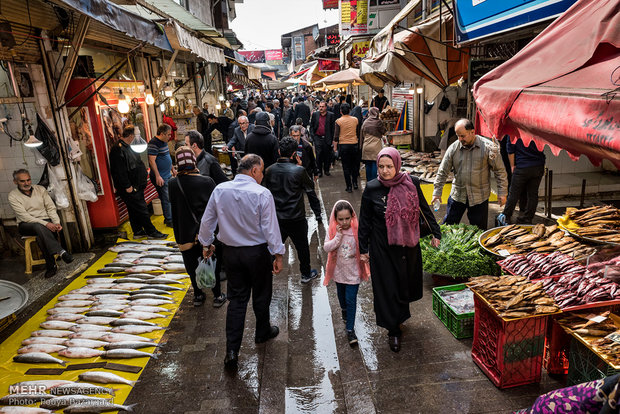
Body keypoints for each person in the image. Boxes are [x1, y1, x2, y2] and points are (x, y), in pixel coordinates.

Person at [199, 154, 285, 369]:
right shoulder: (262, 194)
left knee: (236, 300)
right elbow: (271, 229)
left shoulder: (220, 190)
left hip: (231, 254)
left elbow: (207, 221)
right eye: (262, 171)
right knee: (262, 293)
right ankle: (262, 331)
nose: (262, 175)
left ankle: (231, 351)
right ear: (254, 170)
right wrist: (278, 254)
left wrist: (206, 243)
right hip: (256, 253)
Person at [358, 148, 441, 352]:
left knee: (403, 284)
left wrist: (435, 233)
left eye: (389, 166)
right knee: (387, 287)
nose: (385, 171)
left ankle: (400, 317)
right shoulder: (372, 188)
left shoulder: (411, 182)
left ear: (397, 165)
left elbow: (424, 208)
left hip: (406, 245)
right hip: (381, 246)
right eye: (381, 167)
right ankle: (392, 330)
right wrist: (363, 249)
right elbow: (365, 222)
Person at [169, 147, 227, 308]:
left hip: (184, 234)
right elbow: (216, 207)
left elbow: (172, 204)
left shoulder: (173, 184)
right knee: (212, 263)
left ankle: (198, 295)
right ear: (194, 162)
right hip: (206, 233)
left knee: (191, 266)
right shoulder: (206, 181)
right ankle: (217, 295)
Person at [431, 118, 508, 230]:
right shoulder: (454, 147)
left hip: (479, 197)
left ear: (472, 132)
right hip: (458, 195)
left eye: (463, 136)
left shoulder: (488, 147)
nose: (460, 139)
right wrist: (437, 192)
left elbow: (499, 171)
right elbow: (442, 171)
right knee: (448, 228)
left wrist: (502, 192)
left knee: (478, 231)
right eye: (458, 136)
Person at [264, 138, 319, 284]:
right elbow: (310, 187)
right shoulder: (299, 171)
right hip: (296, 216)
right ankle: (305, 274)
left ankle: (266, 272)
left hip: (277, 217)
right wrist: (301, 167)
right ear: (295, 154)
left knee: (271, 247)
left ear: (279, 151)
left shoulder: (269, 170)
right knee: (302, 247)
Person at [9, 169, 74, 278]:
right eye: (22, 181)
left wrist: (56, 223)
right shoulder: (13, 195)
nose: (26, 183)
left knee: (40, 235)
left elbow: (50, 208)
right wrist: (46, 224)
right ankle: (61, 251)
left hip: (45, 222)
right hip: (26, 224)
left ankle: (51, 266)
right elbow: (25, 216)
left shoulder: (40, 189)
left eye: (28, 180)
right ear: (15, 182)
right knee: (38, 226)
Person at [323, 200, 369, 347]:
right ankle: (344, 310)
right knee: (341, 297)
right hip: (338, 272)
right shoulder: (332, 230)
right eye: (340, 219)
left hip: (354, 272)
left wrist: (365, 254)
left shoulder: (357, 229)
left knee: (351, 300)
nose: (344, 222)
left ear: (352, 216)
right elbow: (326, 247)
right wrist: (338, 235)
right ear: (335, 218)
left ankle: (350, 330)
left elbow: (365, 245)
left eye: (347, 218)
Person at [109, 127, 167, 240]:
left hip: (137, 184)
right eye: (136, 136)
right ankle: (151, 232)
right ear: (130, 136)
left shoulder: (132, 146)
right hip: (130, 187)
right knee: (142, 209)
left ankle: (138, 231)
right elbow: (119, 170)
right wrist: (127, 186)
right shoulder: (118, 149)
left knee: (133, 209)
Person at [500, 138, 546, 224]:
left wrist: (512, 166)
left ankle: (506, 217)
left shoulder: (515, 129)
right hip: (538, 165)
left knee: (513, 193)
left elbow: (510, 149)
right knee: (533, 194)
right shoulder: (537, 128)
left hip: (522, 166)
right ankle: (528, 218)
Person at [148, 124, 175, 227]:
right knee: (166, 198)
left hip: (167, 174)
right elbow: (152, 161)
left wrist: (173, 169)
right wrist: (158, 176)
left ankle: (169, 217)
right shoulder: (153, 143)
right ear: (162, 134)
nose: (170, 137)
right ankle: (169, 220)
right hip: (161, 177)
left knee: (169, 197)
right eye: (168, 135)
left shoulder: (164, 142)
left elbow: (167, 156)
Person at [334, 103, 360, 193]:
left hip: (344, 146)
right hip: (354, 145)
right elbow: (357, 132)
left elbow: (336, 136)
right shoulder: (355, 120)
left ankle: (349, 186)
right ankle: (355, 183)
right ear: (349, 110)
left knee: (346, 167)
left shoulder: (338, 121)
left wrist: (335, 148)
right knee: (354, 165)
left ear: (340, 111)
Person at [310, 101, 336, 178]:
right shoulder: (315, 115)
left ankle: (326, 170)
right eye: (320, 106)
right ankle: (319, 171)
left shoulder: (331, 115)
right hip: (317, 137)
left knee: (327, 155)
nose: (320, 108)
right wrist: (313, 136)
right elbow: (312, 126)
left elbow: (333, 128)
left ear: (326, 107)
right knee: (318, 155)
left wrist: (332, 139)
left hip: (327, 138)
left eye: (322, 107)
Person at [360, 107, 386, 181]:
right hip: (375, 146)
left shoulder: (365, 122)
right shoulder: (378, 122)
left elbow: (362, 135)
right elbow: (383, 131)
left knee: (368, 164)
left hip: (366, 146)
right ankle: (374, 181)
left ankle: (369, 182)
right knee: (375, 163)